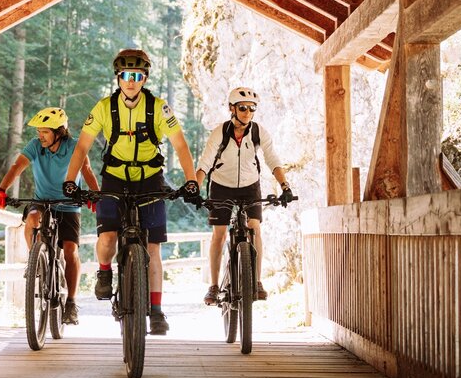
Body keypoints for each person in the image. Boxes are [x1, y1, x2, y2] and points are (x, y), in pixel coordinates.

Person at [61, 49, 201, 336]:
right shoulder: (103, 107)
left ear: (145, 78)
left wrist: (191, 181)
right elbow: (82, 147)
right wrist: (70, 181)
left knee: (153, 248)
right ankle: (104, 271)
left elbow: (181, 146)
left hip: (150, 178)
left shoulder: (159, 108)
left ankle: (157, 311)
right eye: (125, 75)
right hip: (114, 177)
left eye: (137, 76)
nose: (131, 81)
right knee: (108, 236)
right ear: (118, 77)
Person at [0, 107, 100, 326]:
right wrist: (1, 189)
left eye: (45, 132)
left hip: (69, 205)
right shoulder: (35, 146)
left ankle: (70, 302)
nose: (40, 135)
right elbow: (17, 167)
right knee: (32, 219)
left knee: (70, 251)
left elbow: (87, 170)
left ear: (59, 132)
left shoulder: (74, 146)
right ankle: (36, 261)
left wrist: (94, 195)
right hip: (42, 201)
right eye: (39, 131)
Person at [196, 87, 295, 306]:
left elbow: (272, 159)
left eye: (252, 109)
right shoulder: (220, 132)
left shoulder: (259, 132)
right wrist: (195, 185)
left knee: (255, 227)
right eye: (242, 108)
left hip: (250, 186)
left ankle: (257, 281)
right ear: (232, 109)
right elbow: (205, 162)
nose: (247, 113)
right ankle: (213, 286)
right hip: (221, 185)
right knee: (219, 234)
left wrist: (285, 186)